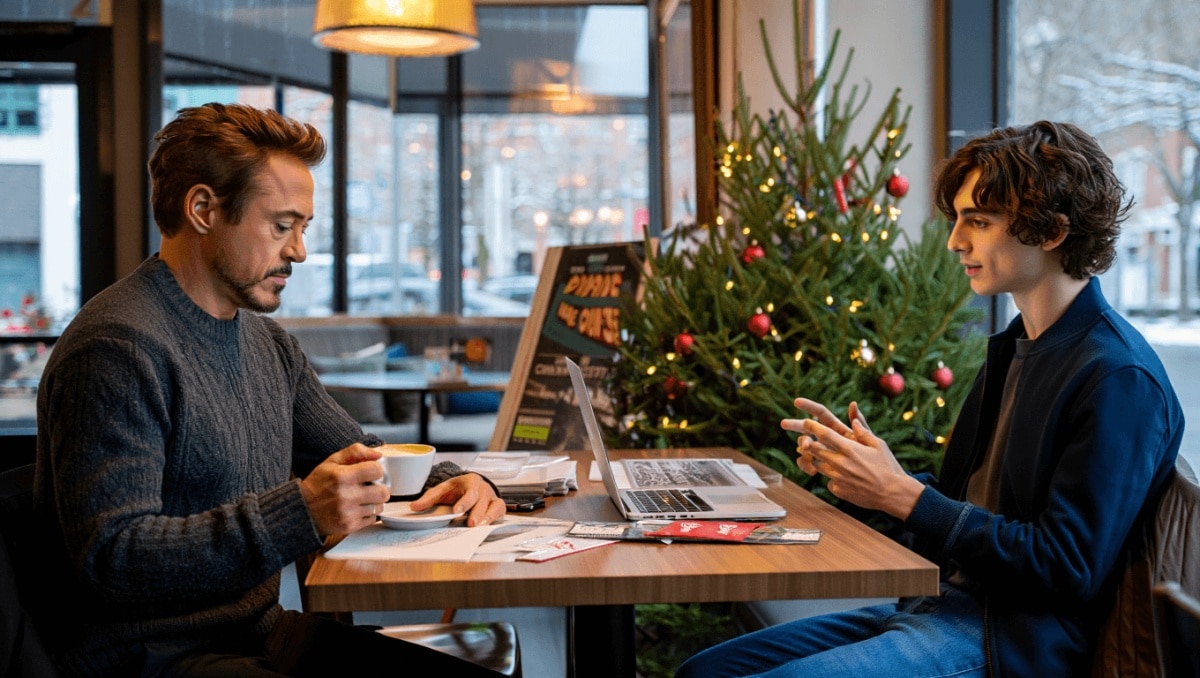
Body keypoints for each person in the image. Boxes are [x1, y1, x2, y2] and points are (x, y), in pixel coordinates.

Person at [676, 120, 1184, 677]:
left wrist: (906, 498)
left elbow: (1066, 566)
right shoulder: (1017, 347)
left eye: (979, 221)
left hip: (1008, 642)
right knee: (704, 672)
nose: (955, 241)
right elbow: (968, 510)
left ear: (1053, 231)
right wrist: (868, 475)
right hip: (938, 604)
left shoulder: (1119, 378)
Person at [31, 102, 506, 677]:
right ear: (203, 209)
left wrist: (459, 484)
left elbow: (364, 458)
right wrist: (299, 512)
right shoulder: (117, 347)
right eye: (282, 226)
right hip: (152, 659)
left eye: (303, 229)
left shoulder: (267, 344)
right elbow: (114, 559)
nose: (299, 251)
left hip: (258, 634)